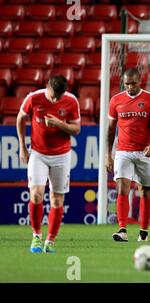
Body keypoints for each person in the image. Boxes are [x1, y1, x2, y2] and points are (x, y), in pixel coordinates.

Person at [16, 75, 81, 253]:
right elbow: (20, 118)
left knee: (57, 199)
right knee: (36, 194)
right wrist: (22, 147)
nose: (55, 100)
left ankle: (50, 241)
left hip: (62, 155)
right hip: (38, 154)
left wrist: (60, 124)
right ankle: (36, 236)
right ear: (47, 86)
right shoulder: (34, 98)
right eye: (53, 96)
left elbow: (76, 129)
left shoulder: (71, 101)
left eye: (58, 97)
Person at [106, 68, 150, 242]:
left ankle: (143, 232)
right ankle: (122, 229)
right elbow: (110, 129)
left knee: (144, 191)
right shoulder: (116, 100)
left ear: (140, 82)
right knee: (122, 187)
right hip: (123, 151)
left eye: (133, 83)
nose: (130, 87)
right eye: (127, 84)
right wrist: (108, 154)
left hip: (145, 152)